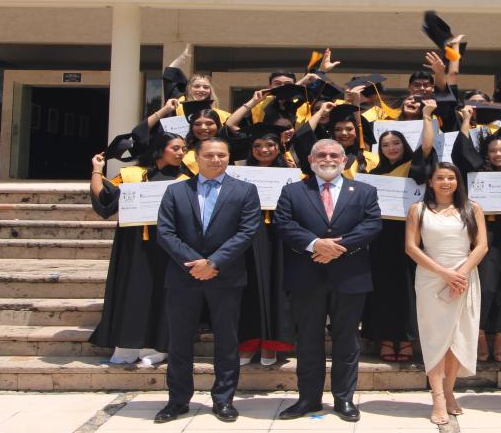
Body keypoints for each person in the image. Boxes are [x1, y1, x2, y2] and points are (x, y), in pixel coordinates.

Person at [153, 136, 261, 424]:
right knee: (179, 341)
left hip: (226, 276)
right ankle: (177, 401)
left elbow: (247, 231)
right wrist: (195, 263)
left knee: (227, 340)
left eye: (222, 155)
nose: (216, 160)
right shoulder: (176, 191)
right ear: (196, 158)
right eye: (210, 155)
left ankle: (223, 400)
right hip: (183, 276)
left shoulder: (245, 190)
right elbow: (165, 232)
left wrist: (214, 263)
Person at [274, 139, 382, 423]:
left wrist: (338, 247)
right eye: (321, 154)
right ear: (310, 160)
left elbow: (372, 224)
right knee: (308, 340)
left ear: (344, 160)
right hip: (306, 276)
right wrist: (315, 244)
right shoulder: (293, 191)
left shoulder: (365, 191)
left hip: (350, 276)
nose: (328, 158)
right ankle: (308, 399)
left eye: (334, 154)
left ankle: (344, 398)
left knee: (347, 339)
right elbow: (284, 224)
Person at [88, 132, 189, 366]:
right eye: (175, 148)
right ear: (159, 149)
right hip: (133, 243)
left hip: (168, 244)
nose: (181, 153)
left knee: (162, 293)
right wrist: (97, 170)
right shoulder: (132, 175)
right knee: (131, 290)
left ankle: (156, 347)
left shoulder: (185, 179)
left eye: (183, 149)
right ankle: (126, 346)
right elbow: (104, 200)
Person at [405, 163, 487, 426]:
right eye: (440, 177)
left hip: (464, 276)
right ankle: (437, 396)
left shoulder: (472, 208)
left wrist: (460, 273)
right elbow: (411, 248)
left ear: (458, 181)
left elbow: (482, 246)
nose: (445, 182)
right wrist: (444, 273)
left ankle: (449, 390)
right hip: (431, 278)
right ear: (430, 182)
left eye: (451, 177)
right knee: (435, 338)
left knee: (458, 336)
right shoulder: (418, 210)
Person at [361, 101, 437, 362]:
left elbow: (427, 148)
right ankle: (384, 337)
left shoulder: (412, 166)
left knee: (407, 287)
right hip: (381, 237)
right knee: (382, 288)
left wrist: (426, 116)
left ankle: (405, 338)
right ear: (380, 149)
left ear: (404, 145)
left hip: (410, 234)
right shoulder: (374, 174)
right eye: (385, 145)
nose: (391, 148)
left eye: (396, 143)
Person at [451, 105, 501, 363]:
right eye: (493, 150)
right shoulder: (477, 172)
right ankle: (480, 334)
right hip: (487, 235)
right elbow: (461, 152)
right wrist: (466, 121)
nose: (498, 154)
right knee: (488, 286)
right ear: (486, 154)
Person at [236, 124, 296, 366]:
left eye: (270, 145)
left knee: (277, 287)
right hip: (249, 234)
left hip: (280, 237)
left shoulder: (291, 174)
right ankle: (249, 342)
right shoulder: (240, 174)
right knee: (250, 287)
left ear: (279, 147)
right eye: (258, 145)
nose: (264, 149)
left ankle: (272, 344)